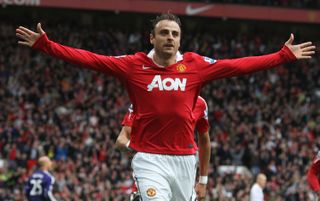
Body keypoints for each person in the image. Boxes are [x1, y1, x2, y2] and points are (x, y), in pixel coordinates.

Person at [16, 13, 315, 201]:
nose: (169, 37)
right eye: (164, 32)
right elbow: (90, 59)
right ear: (152, 37)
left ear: (180, 39)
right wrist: (47, 46)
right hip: (149, 158)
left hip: (185, 160)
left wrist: (281, 56)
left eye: (174, 34)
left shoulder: (195, 65)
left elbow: (237, 66)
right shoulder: (134, 65)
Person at [116, 96, 211, 200]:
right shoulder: (142, 98)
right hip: (151, 165)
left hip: (184, 168)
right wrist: (140, 149)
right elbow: (121, 139)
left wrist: (203, 181)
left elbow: (204, 140)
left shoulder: (199, 103)